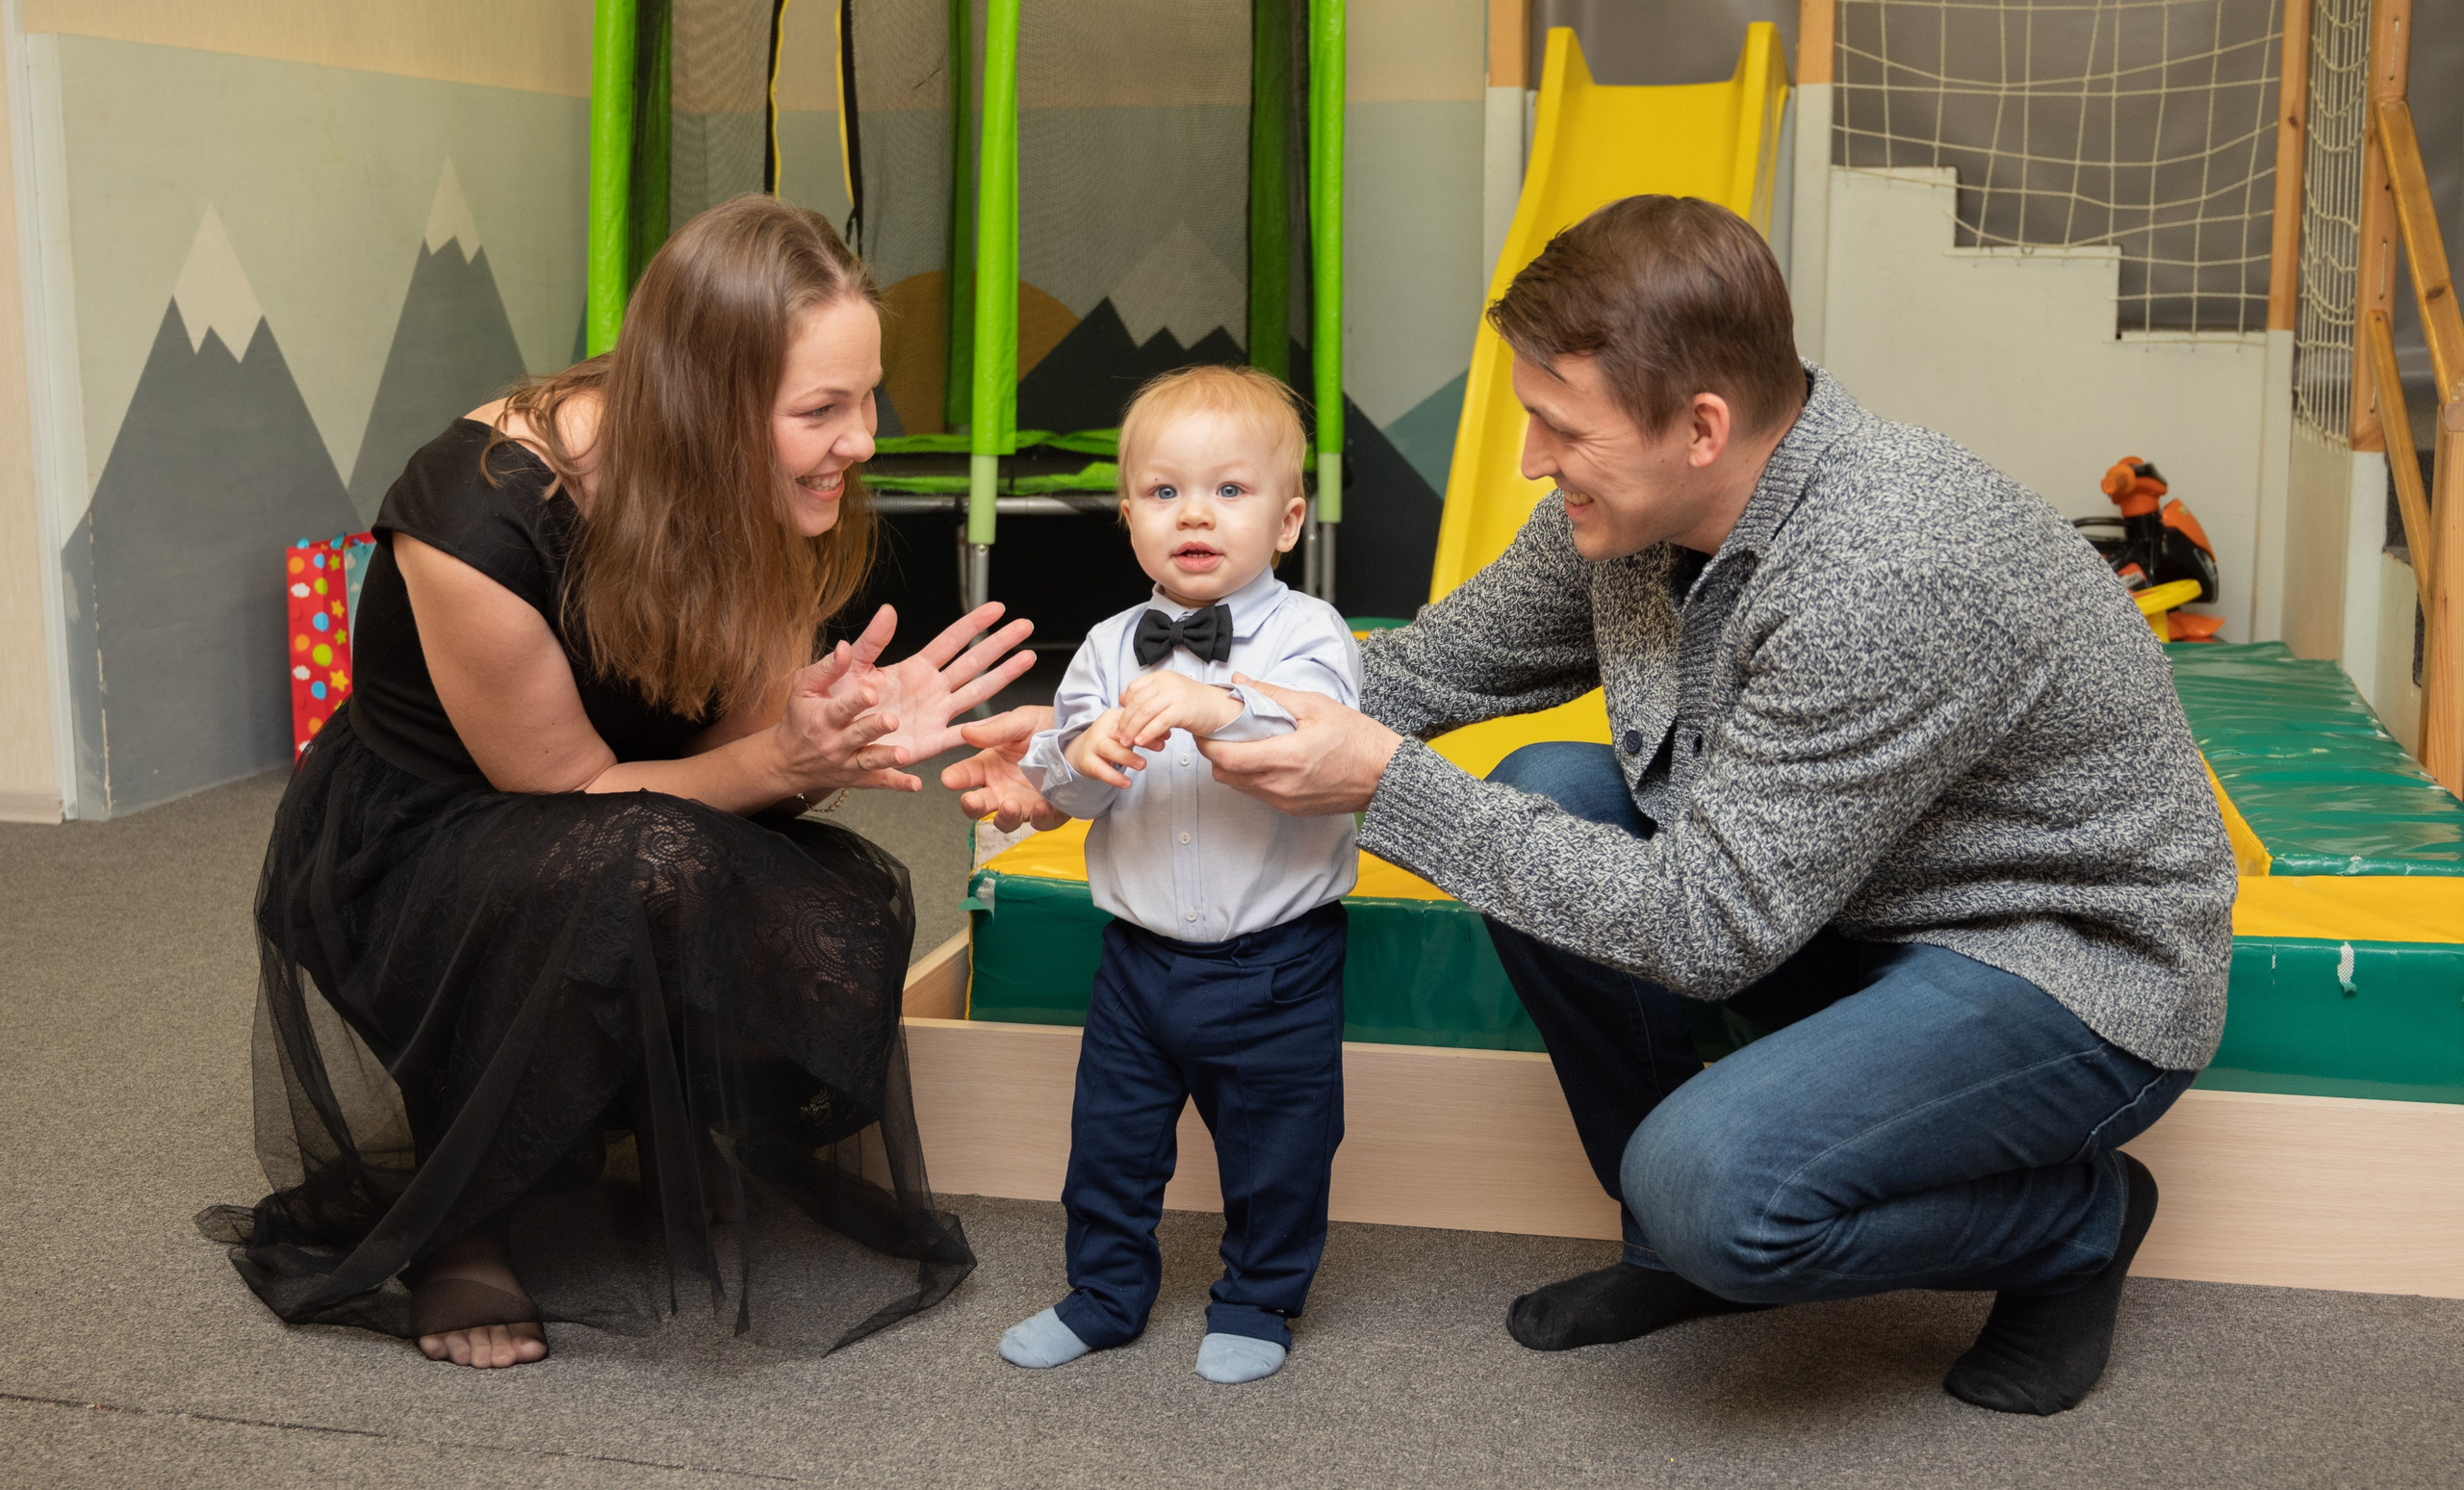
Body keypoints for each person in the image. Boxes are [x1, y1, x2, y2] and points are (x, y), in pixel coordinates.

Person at [944, 195, 2237, 1416]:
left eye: (1561, 425)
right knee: (1547, 787)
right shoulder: (1628, 516)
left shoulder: (1884, 575)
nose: (1526, 456)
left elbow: (1709, 930)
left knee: (1716, 1190)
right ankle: (1670, 1248)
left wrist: (1385, 787)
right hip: (1846, 902)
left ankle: (2074, 1224)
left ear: (1703, 427)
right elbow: (1414, 674)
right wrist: (1118, 722)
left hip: (2055, 963)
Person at [200, 195, 1036, 1368]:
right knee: (652, 861)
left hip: (640, 805)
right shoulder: (473, 513)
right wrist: (783, 758)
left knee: (818, 915)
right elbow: (569, 791)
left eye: (867, 397)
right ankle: (464, 1215)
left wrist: (829, 726)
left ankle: (613, 1100)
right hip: (443, 838)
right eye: (821, 410)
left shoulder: (769, 484)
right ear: (705, 408)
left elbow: (742, 735)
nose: (861, 440)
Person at [995, 367, 1360, 1387]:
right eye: (1163, 492)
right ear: (1127, 516)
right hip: (1138, 961)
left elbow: (1317, 739)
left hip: (1275, 961)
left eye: (1229, 491)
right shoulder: (1109, 647)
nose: (1194, 512)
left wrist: (1218, 704)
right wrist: (1077, 760)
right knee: (1108, 1145)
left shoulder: (1307, 634)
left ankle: (1257, 1295)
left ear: (1287, 520)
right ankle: (1103, 1294)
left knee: (1278, 1149)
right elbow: (1063, 791)